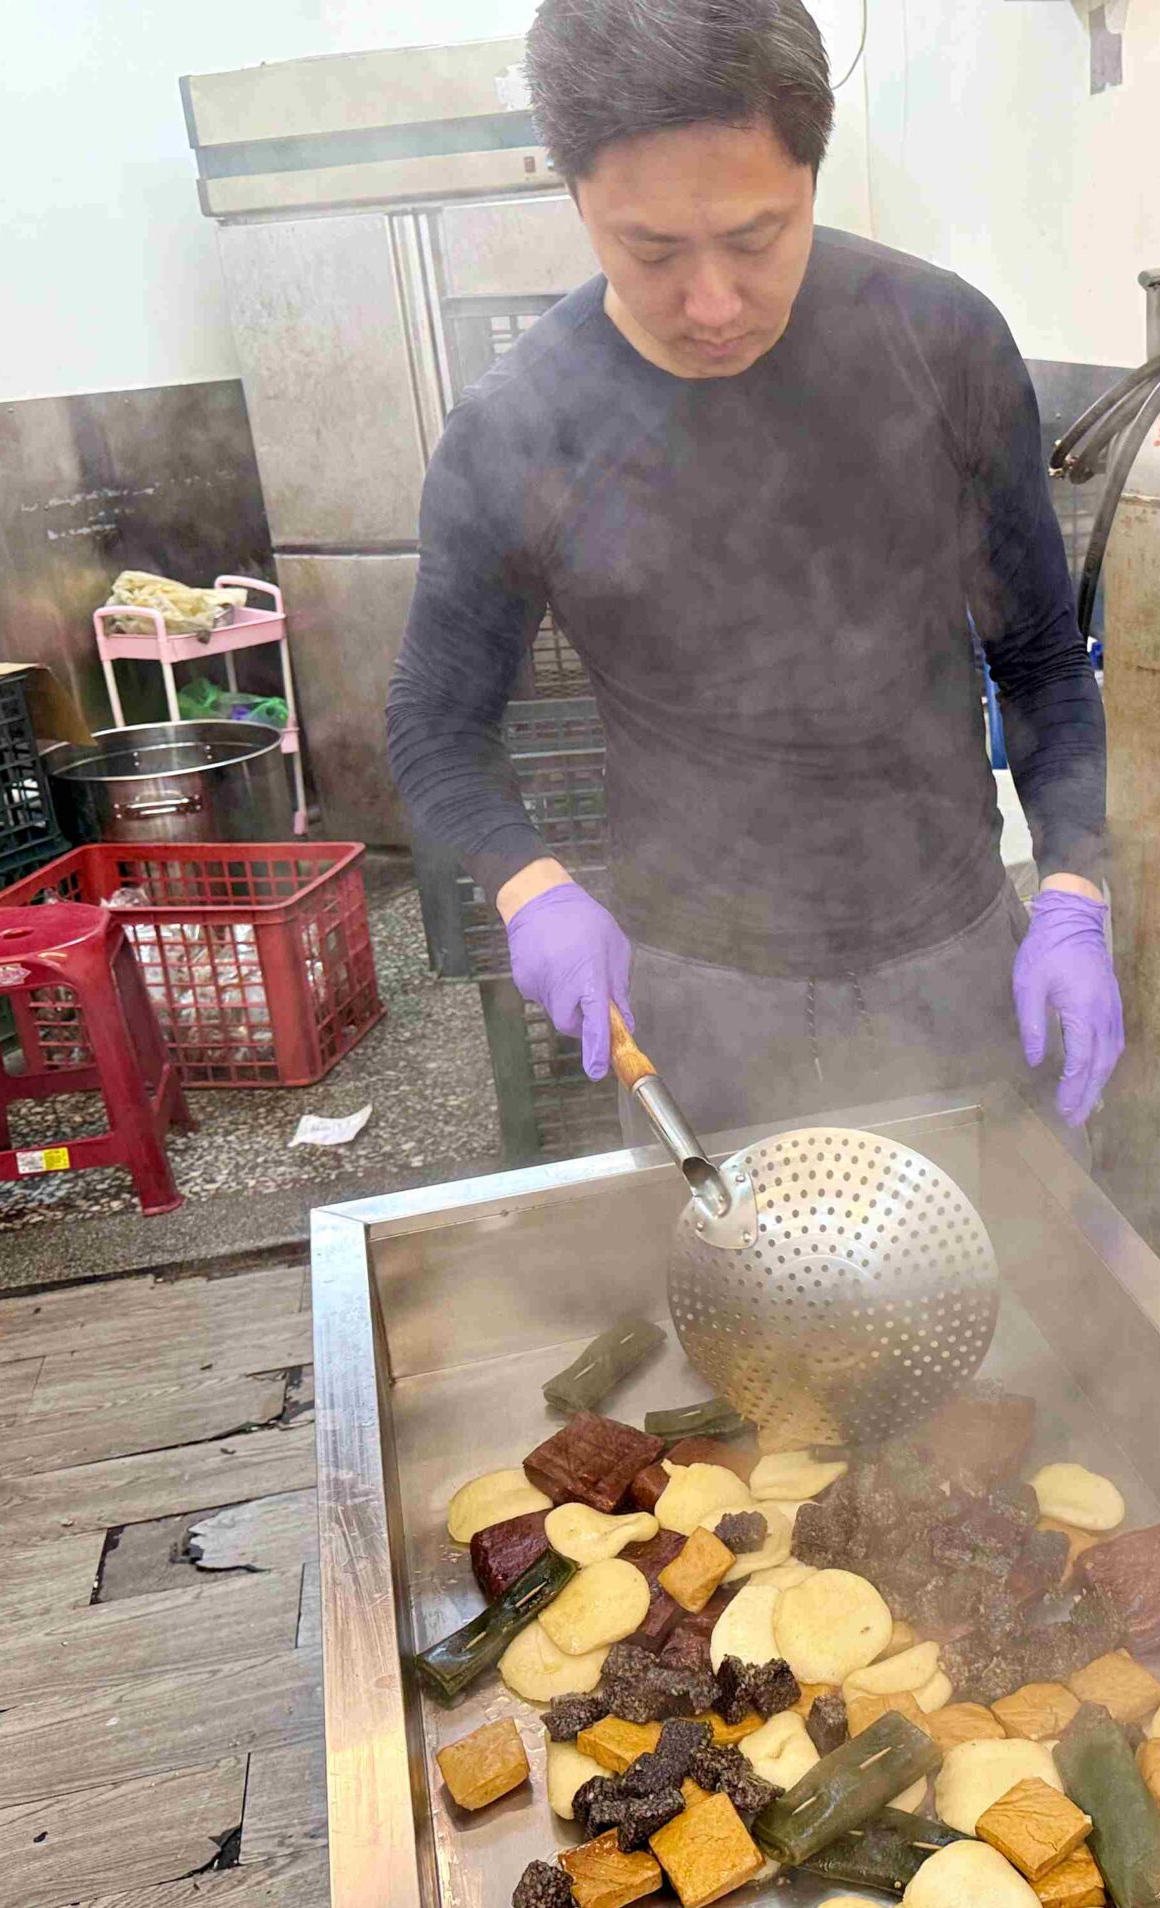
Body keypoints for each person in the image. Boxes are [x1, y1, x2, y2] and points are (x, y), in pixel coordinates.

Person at [387, 0, 1123, 1140]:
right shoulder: (517, 429)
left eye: (754, 236)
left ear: (813, 174)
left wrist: (1073, 889)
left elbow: (1038, 661)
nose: (713, 305)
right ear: (572, 191)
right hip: (695, 1002)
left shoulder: (942, 345)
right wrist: (533, 889)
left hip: (956, 964)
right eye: (652, 252)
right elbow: (436, 727)